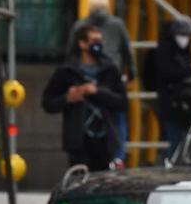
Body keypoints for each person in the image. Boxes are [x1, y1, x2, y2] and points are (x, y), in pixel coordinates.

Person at [42, 20, 129, 169]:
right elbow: (48, 102)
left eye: (100, 41)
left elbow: (122, 103)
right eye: (94, 41)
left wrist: (98, 92)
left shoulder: (110, 70)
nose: (98, 45)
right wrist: (68, 99)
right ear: (82, 44)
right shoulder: (66, 71)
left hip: (105, 139)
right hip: (78, 140)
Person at [143, 18, 191, 159]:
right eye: (180, 35)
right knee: (174, 140)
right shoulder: (162, 53)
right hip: (171, 104)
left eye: (186, 35)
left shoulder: (186, 52)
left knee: (187, 140)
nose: (184, 39)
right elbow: (166, 74)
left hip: (188, 106)